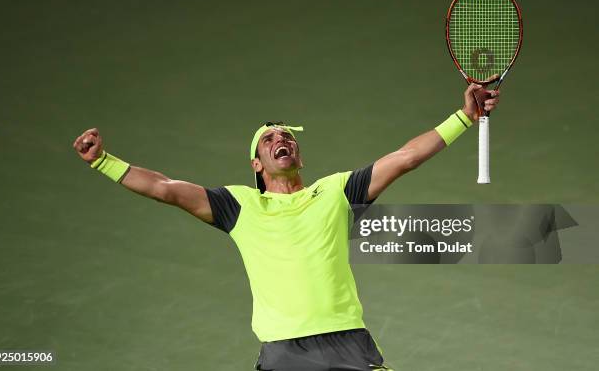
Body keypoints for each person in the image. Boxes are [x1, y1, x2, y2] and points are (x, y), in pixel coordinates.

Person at [72, 81, 499, 370]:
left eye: (287, 137)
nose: (282, 140)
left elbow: (405, 157)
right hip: (284, 353)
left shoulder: (336, 191)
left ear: (298, 156)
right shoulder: (237, 205)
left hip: (347, 340)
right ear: (257, 164)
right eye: (270, 138)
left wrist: (464, 116)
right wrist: (103, 162)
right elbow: (165, 188)